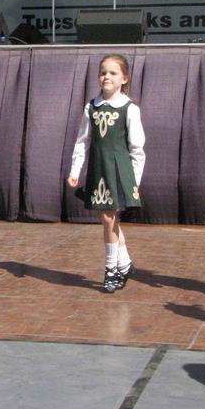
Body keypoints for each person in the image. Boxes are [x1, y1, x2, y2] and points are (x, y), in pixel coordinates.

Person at [67, 55, 146, 293]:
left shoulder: (130, 109)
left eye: (112, 73)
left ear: (124, 78)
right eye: (103, 72)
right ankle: (124, 263)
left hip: (118, 171)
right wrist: (75, 169)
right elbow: (83, 140)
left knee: (109, 219)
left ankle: (112, 268)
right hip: (98, 170)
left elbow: (137, 149)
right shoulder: (92, 106)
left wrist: (134, 181)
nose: (106, 77)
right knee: (108, 219)